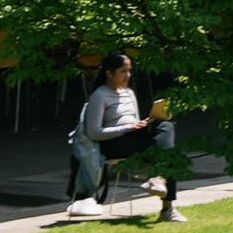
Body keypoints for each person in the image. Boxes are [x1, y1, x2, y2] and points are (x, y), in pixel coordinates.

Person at [66, 51, 176, 219]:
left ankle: (160, 185)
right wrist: (127, 128)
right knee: (168, 154)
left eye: (129, 70)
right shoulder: (100, 96)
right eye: (123, 71)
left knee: (166, 126)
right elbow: (94, 133)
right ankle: (166, 205)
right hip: (112, 143)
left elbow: (135, 120)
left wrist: (145, 122)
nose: (128, 75)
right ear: (109, 73)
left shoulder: (129, 93)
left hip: (131, 137)